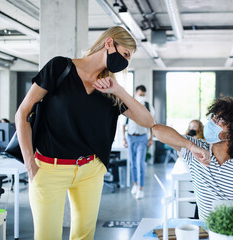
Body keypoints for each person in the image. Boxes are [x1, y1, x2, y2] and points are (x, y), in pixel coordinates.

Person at [15, 26, 154, 240]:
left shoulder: (109, 90)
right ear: (109, 43)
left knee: (84, 237)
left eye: (129, 59)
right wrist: (29, 163)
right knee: (46, 236)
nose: (125, 62)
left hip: (90, 171)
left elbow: (147, 121)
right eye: (125, 54)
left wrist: (118, 90)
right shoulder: (60, 67)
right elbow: (23, 113)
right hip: (50, 169)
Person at [152, 97, 233, 219]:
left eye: (220, 120)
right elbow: (157, 130)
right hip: (204, 233)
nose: (212, 121)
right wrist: (191, 146)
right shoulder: (197, 150)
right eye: (214, 117)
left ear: (232, 133)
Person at [122, 85, 155, 199]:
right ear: (135, 93)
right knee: (132, 163)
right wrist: (123, 138)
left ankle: (141, 188)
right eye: (140, 94)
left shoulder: (148, 106)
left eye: (143, 95)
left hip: (142, 137)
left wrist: (151, 138)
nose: (142, 96)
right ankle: (135, 184)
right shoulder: (128, 104)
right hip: (131, 137)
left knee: (140, 163)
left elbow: (152, 123)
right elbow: (123, 123)